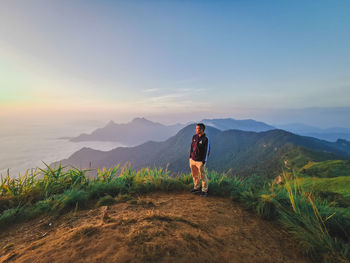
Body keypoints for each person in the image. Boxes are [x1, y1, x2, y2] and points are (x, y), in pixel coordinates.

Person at [189, 123, 210, 197]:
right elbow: (192, 147)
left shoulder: (205, 139)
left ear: (201, 130)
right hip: (192, 160)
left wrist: (204, 161)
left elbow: (207, 151)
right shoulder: (194, 137)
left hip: (200, 161)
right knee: (194, 175)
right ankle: (196, 187)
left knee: (202, 176)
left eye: (197, 128)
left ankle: (204, 190)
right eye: (196, 128)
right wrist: (190, 157)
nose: (196, 130)